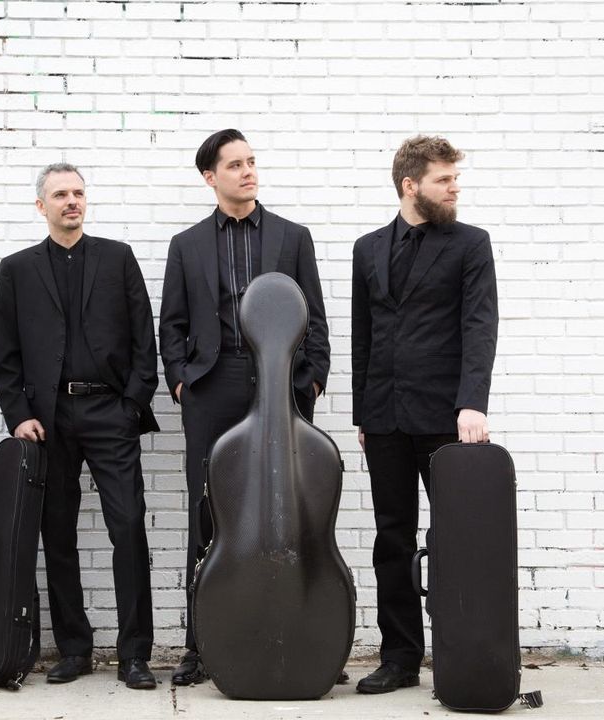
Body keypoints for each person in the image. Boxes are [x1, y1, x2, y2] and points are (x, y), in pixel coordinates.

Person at [159, 129, 332, 686]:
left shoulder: (292, 236)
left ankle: (304, 637)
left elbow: (315, 316)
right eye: (235, 165)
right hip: (214, 384)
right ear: (210, 177)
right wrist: (183, 382)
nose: (248, 171)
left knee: (293, 505)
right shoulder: (186, 245)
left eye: (251, 161)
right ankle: (201, 646)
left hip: (281, 381)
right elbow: (172, 324)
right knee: (209, 511)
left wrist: (311, 379)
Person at [0, 163, 160, 690]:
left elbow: (144, 341)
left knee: (128, 526)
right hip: (49, 421)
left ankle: (135, 654)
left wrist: (131, 405)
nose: (72, 201)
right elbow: (5, 355)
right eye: (60, 194)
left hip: (110, 412)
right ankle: (74, 649)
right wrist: (19, 415)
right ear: (41, 206)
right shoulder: (17, 269)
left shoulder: (118, 257)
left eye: (78, 193)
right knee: (57, 532)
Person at [352, 135, 499, 694]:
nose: (454, 188)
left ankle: (465, 654)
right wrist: (364, 412)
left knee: (459, 539)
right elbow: (363, 335)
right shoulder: (367, 248)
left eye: (455, 178)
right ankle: (400, 658)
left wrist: (472, 403)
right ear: (411, 185)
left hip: (447, 418)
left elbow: (479, 326)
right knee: (392, 538)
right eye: (444, 179)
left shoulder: (470, 244)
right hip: (385, 418)